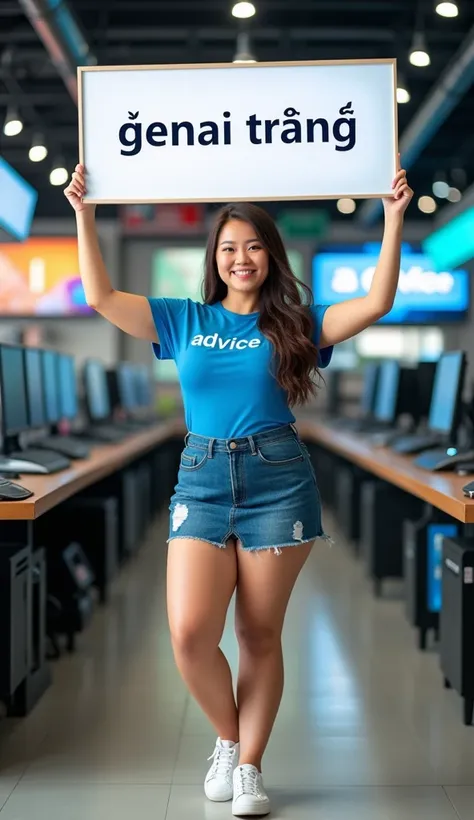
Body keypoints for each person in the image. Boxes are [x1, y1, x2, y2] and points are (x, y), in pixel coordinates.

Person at [64, 161, 413, 817]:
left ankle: (250, 766)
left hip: (278, 479)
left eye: (253, 245)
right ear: (215, 258)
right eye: (229, 247)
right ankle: (229, 738)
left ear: (270, 256)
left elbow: (377, 303)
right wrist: (85, 214)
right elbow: (103, 300)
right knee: (191, 633)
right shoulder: (183, 319)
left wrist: (393, 219)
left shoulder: (297, 323)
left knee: (259, 635)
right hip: (200, 476)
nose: (241, 257)